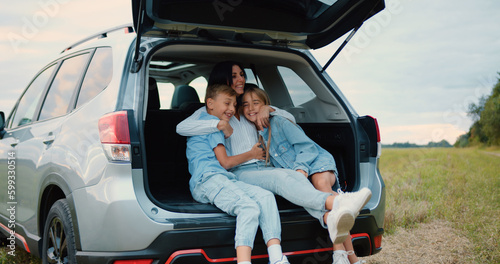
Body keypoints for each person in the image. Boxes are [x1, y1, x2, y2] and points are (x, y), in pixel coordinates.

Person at [177, 61, 372, 258]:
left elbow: (289, 118)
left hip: (263, 166)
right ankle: (338, 202)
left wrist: (269, 108)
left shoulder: (247, 109)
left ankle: (328, 217)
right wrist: (218, 124)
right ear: (222, 81)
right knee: (281, 178)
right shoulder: (213, 113)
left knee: (293, 177)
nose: (241, 79)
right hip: (240, 171)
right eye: (234, 75)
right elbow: (182, 128)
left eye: (242, 74)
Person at [241, 85, 368, 264]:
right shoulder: (256, 135)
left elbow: (307, 148)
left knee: (322, 186)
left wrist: (301, 169)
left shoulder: (279, 122)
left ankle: (339, 252)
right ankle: (352, 258)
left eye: (256, 103)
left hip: (317, 162)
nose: (251, 108)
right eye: (245, 105)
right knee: (333, 209)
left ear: (265, 105)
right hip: (300, 175)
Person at [185, 83, 290, 264]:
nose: (232, 109)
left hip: (223, 178)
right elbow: (225, 162)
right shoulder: (210, 124)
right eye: (227, 103)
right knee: (248, 208)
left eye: (234, 105)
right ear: (210, 103)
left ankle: (277, 258)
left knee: (265, 196)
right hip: (206, 180)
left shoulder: (212, 122)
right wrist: (251, 154)